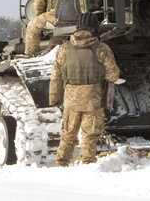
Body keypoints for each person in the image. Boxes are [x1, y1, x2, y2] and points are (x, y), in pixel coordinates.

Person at [49, 12, 120, 166]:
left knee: (68, 133)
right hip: (92, 99)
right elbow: (113, 74)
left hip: (71, 99)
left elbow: (56, 76)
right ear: (95, 28)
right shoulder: (101, 48)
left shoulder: (65, 48)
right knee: (90, 134)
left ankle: (62, 162)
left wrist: (54, 99)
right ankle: (86, 162)